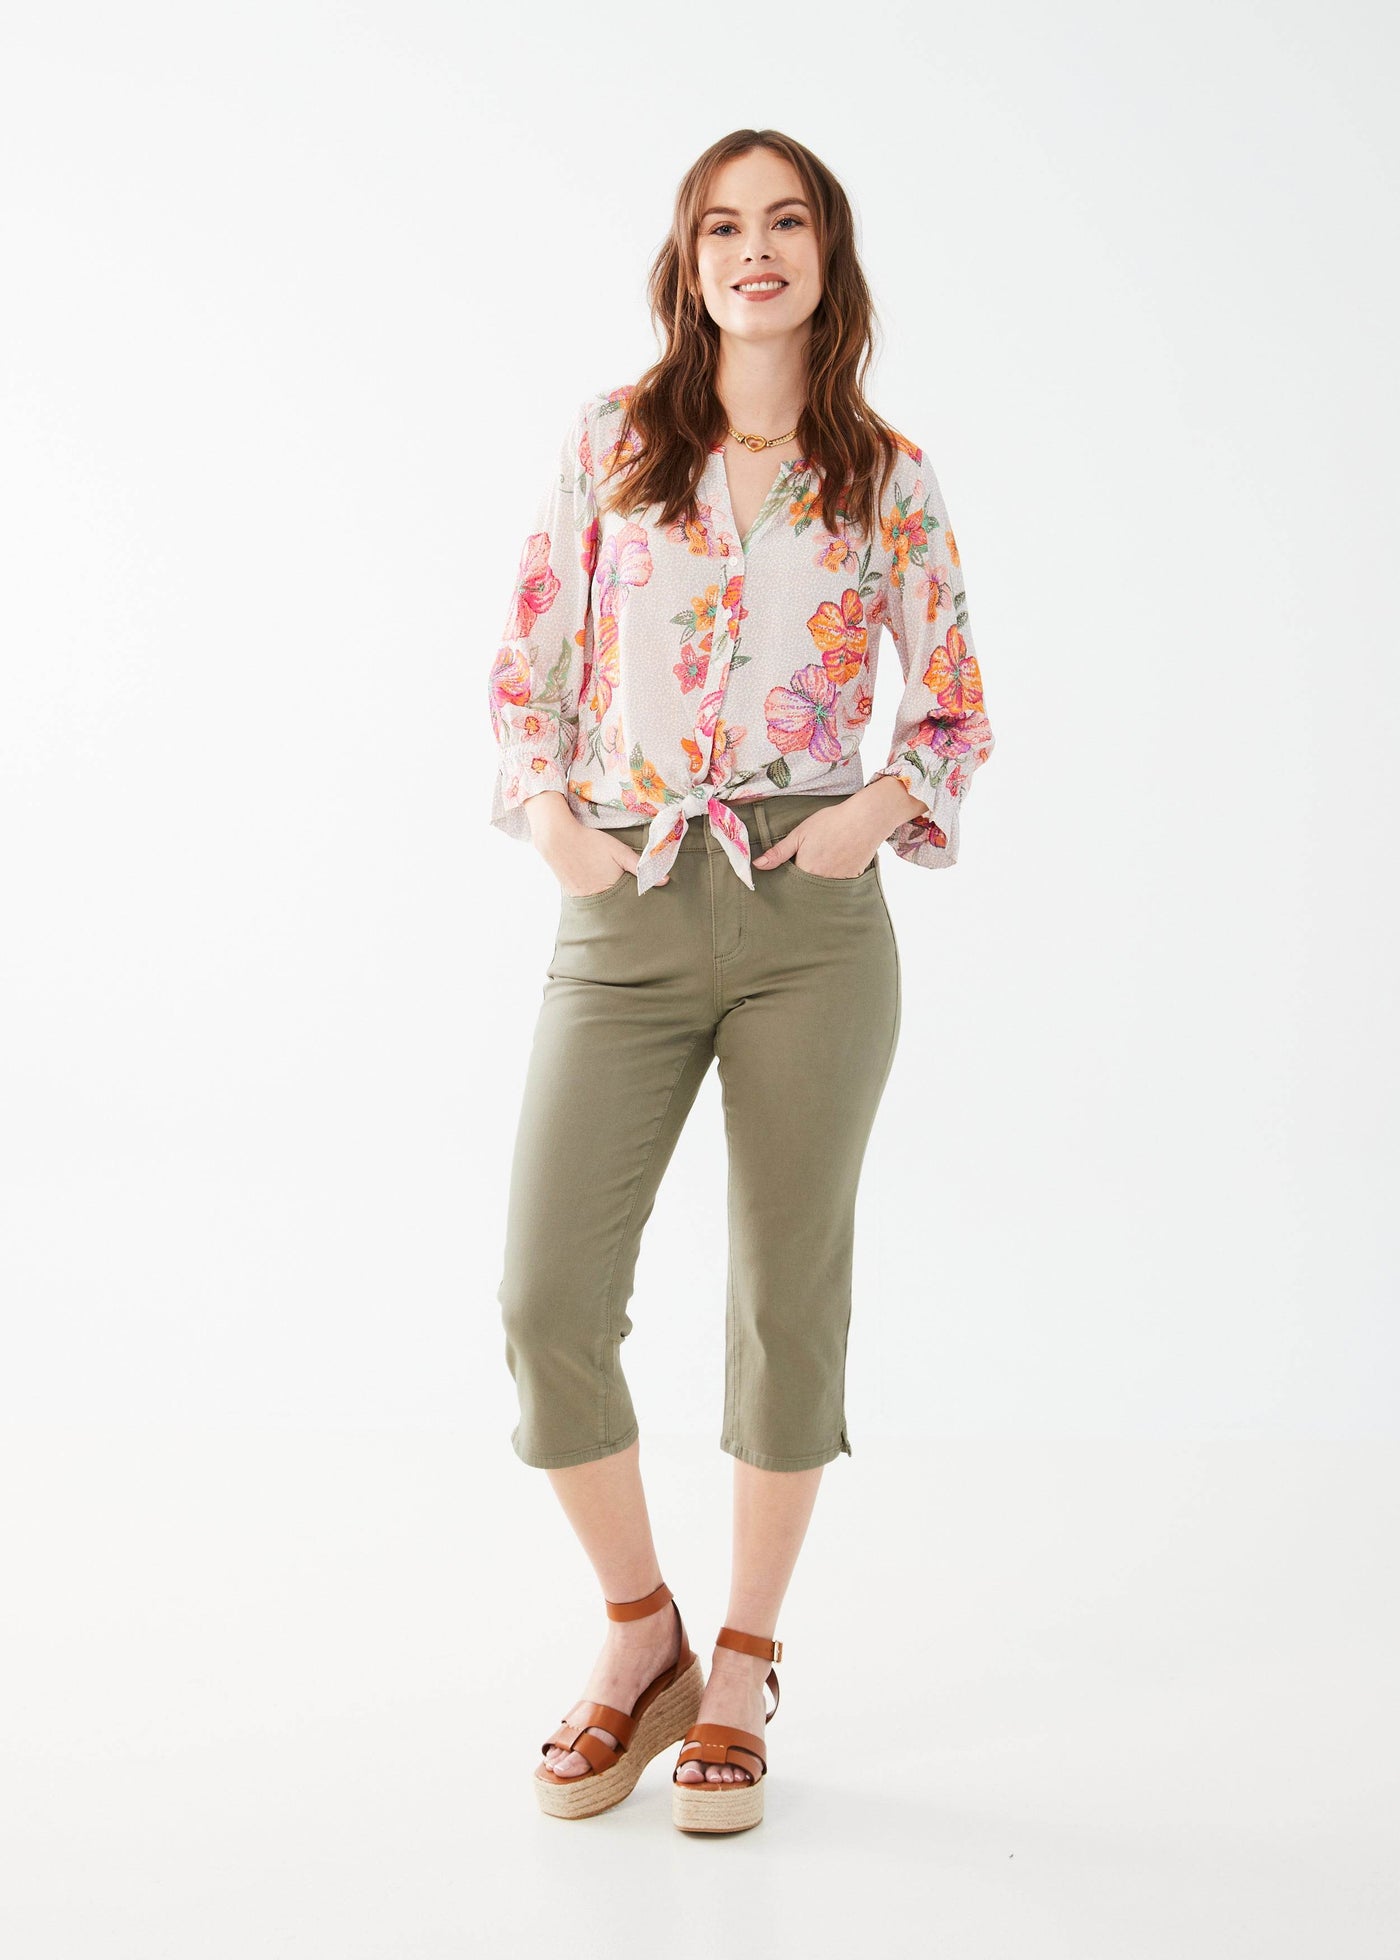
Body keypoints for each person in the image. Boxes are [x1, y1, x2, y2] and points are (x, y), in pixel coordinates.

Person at [486, 128, 995, 1835]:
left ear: (826, 254)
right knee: (547, 1301)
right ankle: (643, 1635)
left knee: (785, 1303)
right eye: (723, 225)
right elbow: (526, 670)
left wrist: (865, 817)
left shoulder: (887, 475)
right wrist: (558, 829)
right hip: (628, 899)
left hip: (810, 924)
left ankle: (748, 1662)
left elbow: (954, 706)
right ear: (687, 259)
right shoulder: (614, 442)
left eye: (785, 221)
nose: (754, 249)